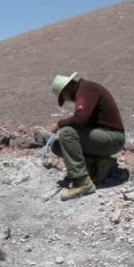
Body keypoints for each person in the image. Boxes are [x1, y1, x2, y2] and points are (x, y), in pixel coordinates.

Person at [49, 72, 126, 201]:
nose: (68, 100)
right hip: (104, 138)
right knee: (57, 145)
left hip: (112, 138)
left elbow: (80, 120)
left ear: (66, 89)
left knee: (66, 133)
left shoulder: (85, 90)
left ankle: (83, 182)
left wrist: (60, 124)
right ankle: (99, 164)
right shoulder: (85, 90)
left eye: (64, 97)